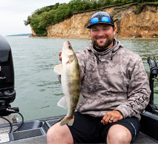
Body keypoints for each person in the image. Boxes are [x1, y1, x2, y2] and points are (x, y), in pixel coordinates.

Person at [47, 11, 151, 144]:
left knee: (119, 137)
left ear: (114, 29)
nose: (100, 34)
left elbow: (142, 94)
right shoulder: (80, 58)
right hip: (87, 115)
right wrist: (66, 67)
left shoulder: (132, 59)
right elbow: (70, 84)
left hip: (121, 117)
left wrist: (120, 111)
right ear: (90, 33)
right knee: (55, 134)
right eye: (95, 30)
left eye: (105, 29)